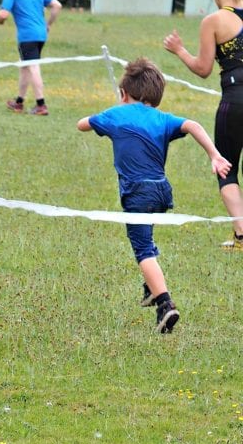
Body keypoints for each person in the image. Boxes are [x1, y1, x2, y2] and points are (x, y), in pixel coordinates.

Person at [77, 58, 229, 333]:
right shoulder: (162, 119)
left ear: (124, 92)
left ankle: (165, 304)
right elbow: (193, 124)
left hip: (137, 193)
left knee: (143, 251)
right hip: (160, 190)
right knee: (146, 238)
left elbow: (81, 124)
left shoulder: (115, 116)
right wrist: (215, 155)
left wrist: (115, 111)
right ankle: (150, 288)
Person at [163, 0, 243, 249]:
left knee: (227, 167)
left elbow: (203, 68)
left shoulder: (214, 21)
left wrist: (179, 50)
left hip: (235, 101)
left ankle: (242, 235)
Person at [0, 0, 61, 116]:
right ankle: (19, 102)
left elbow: (3, 14)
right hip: (41, 34)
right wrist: (48, 23)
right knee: (24, 66)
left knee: (32, 67)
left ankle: (41, 104)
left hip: (27, 36)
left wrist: (0, 19)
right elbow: (57, 5)